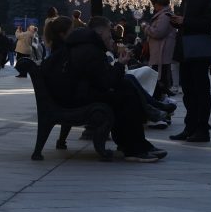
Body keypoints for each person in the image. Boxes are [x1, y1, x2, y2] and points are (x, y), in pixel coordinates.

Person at [52, 16, 166, 162]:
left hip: (78, 94)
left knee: (126, 86)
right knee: (125, 94)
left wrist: (118, 65)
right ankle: (134, 147)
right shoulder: (90, 50)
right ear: (100, 33)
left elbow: (102, 78)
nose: (110, 35)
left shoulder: (86, 46)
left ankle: (136, 144)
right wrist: (119, 64)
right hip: (79, 98)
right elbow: (106, 82)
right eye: (108, 31)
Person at [172, 0, 211, 143]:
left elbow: (210, 23)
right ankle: (189, 126)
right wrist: (176, 21)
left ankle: (202, 128)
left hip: (198, 50)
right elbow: (187, 21)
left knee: (201, 90)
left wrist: (186, 21)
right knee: (189, 91)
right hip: (185, 48)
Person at [144, 0, 178, 98]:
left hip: (160, 54)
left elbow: (159, 33)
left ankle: (161, 101)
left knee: (159, 82)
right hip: (160, 53)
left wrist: (146, 27)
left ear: (157, 3)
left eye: (154, 3)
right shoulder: (165, 15)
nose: (153, 6)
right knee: (159, 81)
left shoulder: (164, 16)